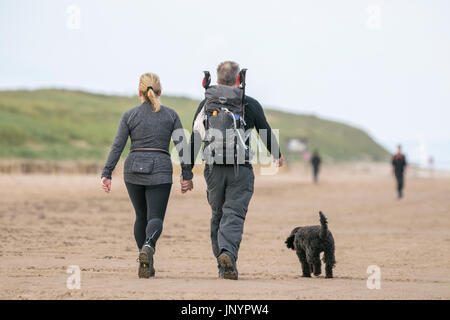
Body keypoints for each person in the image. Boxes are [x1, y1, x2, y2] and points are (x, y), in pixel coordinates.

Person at [189, 61, 283, 280]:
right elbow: (265, 132)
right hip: (240, 169)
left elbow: (194, 139)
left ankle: (223, 263)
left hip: (213, 169)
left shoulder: (206, 104)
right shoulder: (248, 104)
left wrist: (186, 173)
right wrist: (277, 155)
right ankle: (227, 254)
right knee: (234, 214)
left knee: (218, 215)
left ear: (217, 80)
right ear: (239, 79)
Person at [100, 73, 193, 278]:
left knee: (141, 216)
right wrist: (187, 175)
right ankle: (149, 246)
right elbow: (182, 146)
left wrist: (107, 173)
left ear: (139, 92)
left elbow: (118, 145)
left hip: (133, 168)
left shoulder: (129, 115)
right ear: (160, 92)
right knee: (156, 217)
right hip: (160, 168)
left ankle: (145, 262)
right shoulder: (171, 115)